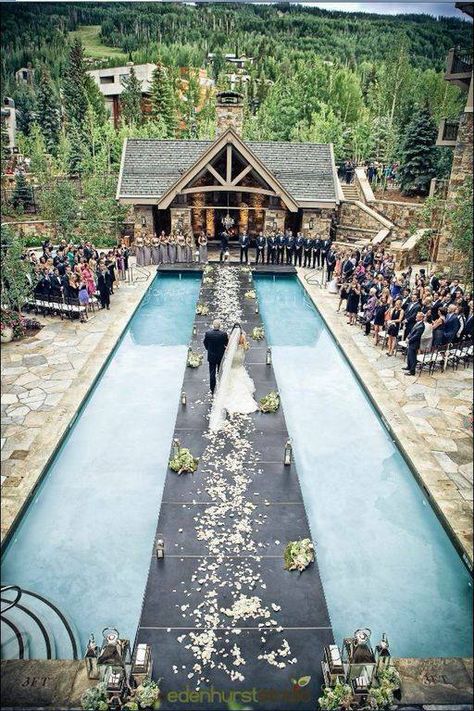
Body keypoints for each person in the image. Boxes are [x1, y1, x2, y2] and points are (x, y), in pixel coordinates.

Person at [203, 319, 229, 395]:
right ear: (220, 326)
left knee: (212, 373)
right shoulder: (223, 334)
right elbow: (226, 343)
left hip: (211, 356)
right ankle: (220, 387)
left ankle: (212, 389)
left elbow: (205, 343)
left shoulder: (208, 334)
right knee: (220, 372)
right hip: (221, 356)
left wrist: (209, 349)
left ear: (213, 325)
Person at [403, 312, 425, 376]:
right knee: (409, 355)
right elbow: (412, 332)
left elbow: (416, 335)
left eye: (417, 316)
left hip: (414, 343)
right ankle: (408, 366)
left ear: (421, 318)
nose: (416, 317)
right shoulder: (417, 323)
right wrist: (407, 337)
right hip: (411, 342)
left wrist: (409, 340)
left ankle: (412, 371)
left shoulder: (421, 326)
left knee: (413, 357)